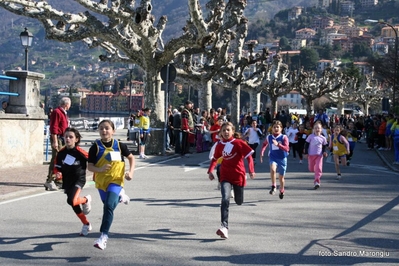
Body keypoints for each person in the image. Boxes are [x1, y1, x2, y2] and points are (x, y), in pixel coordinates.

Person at [87, 119, 135, 250]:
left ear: (113, 131)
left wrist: (130, 172)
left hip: (116, 180)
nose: (104, 131)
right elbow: (89, 166)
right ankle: (121, 197)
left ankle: (103, 237)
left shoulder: (119, 145)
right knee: (108, 205)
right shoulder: (95, 147)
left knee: (108, 206)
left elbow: (131, 157)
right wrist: (100, 170)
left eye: (107, 128)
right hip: (101, 182)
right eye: (101, 128)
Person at [207, 122, 255, 239]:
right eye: (223, 130)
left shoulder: (239, 143)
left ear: (233, 131)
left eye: (228, 130)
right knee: (225, 199)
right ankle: (224, 227)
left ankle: (239, 191)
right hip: (225, 177)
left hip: (238, 176)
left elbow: (249, 156)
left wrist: (251, 170)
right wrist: (210, 171)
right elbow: (215, 159)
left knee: (239, 201)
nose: (226, 132)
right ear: (221, 133)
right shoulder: (219, 145)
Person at [53, 127, 92, 236]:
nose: (68, 139)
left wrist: (97, 171)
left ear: (76, 139)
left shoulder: (80, 152)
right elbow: (57, 167)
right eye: (66, 137)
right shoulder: (61, 153)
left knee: (72, 199)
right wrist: (57, 173)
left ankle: (86, 199)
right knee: (71, 202)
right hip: (67, 181)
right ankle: (86, 223)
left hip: (79, 179)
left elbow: (93, 161)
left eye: (71, 137)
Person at [44, 97, 71, 191]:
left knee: (63, 159)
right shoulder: (57, 112)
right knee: (56, 159)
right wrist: (55, 141)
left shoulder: (64, 113)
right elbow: (54, 127)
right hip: (58, 138)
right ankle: (50, 180)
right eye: (69, 104)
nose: (70, 106)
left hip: (63, 138)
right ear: (66, 104)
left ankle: (59, 179)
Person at [260, 120, 289, 199]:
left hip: (282, 158)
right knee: (273, 169)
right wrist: (262, 152)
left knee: (281, 177)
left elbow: (287, 148)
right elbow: (264, 144)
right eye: (274, 127)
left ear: (281, 129)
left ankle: (282, 189)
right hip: (273, 157)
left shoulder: (284, 137)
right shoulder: (269, 137)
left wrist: (278, 144)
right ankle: (274, 186)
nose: (276, 129)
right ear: (271, 128)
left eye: (278, 127)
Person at [303, 122, 328, 189]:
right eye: (316, 128)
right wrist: (306, 153)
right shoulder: (310, 136)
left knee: (318, 168)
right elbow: (306, 145)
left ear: (321, 129)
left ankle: (317, 181)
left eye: (319, 128)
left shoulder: (323, 138)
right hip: (311, 155)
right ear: (313, 129)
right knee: (311, 169)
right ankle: (315, 170)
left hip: (319, 156)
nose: (317, 129)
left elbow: (325, 146)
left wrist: (324, 152)